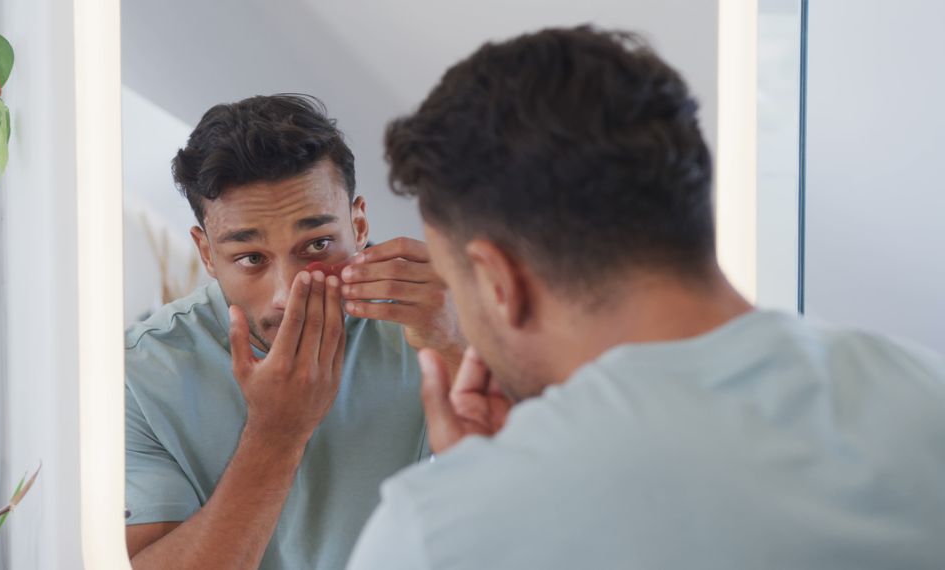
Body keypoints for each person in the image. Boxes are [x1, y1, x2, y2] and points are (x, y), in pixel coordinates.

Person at [347, 25, 945, 569]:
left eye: (456, 285)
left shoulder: (436, 531)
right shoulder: (926, 395)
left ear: (498, 283)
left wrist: (475, 495)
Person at [124, 94, 463, 569]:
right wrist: (276, 434)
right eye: (250, 258)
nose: (288, 292)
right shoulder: (140, 376)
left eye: (317, 244)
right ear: (206, 254)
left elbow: (544, 508)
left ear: (359, 224)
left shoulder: (428, 322)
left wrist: (458, 346)